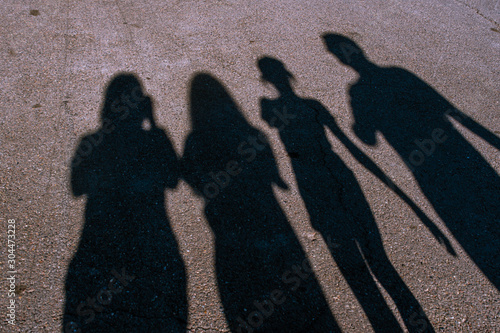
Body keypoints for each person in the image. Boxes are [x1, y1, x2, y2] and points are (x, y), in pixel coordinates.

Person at [323, 33, 500, 290]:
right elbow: (455, 113)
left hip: (427, 170)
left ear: (340, 57)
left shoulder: (358, 91)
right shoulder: (400, 74)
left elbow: (368, 138)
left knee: (470, 228)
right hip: (460, 151)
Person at [64, 73, 186, 332]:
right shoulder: (155, 138)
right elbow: (174, 179)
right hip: (152, 236)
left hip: (98, 238)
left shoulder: (91, 142)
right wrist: (153, 126)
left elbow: (77, 187)